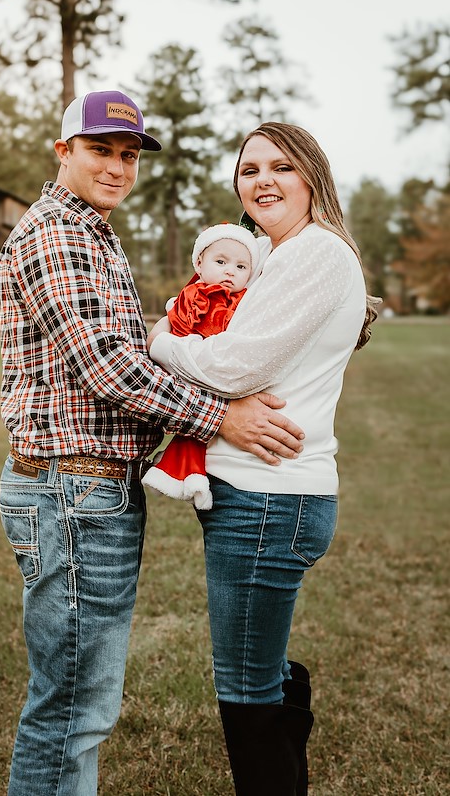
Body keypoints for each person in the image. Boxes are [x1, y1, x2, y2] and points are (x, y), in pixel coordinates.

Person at [0, 91, 306, 796]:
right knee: (72, 710)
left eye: (129, 154)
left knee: (78, 704)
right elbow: (107, 364)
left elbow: (135, 351)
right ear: (63, 150)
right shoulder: (56, 234)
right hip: (72, 490)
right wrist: (219, 417)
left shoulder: (92, 231)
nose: (117, 166)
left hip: (87, 489)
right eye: (101, 149)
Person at [148, 121, 379, 795]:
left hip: (268, 500)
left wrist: (164, 339)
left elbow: (233, 364)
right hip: (259, 497)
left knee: (244, 694)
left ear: (312, 175)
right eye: (250, 171)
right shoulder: (281, 258)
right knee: (263, 676)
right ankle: (290, 744)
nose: (264, 180)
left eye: (281, 166)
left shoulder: (315, 254)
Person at [142, 222, 260, 509]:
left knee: (199, 436)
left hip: (220, 371)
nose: (230, 271)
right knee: (194, 428)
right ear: (199, 263)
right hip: (188, 369)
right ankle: (182, 472)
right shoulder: (191, 296)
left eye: (241, 267)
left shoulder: (246, 303)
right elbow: (174, 326)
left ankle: (184, 473)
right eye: (221, 262)